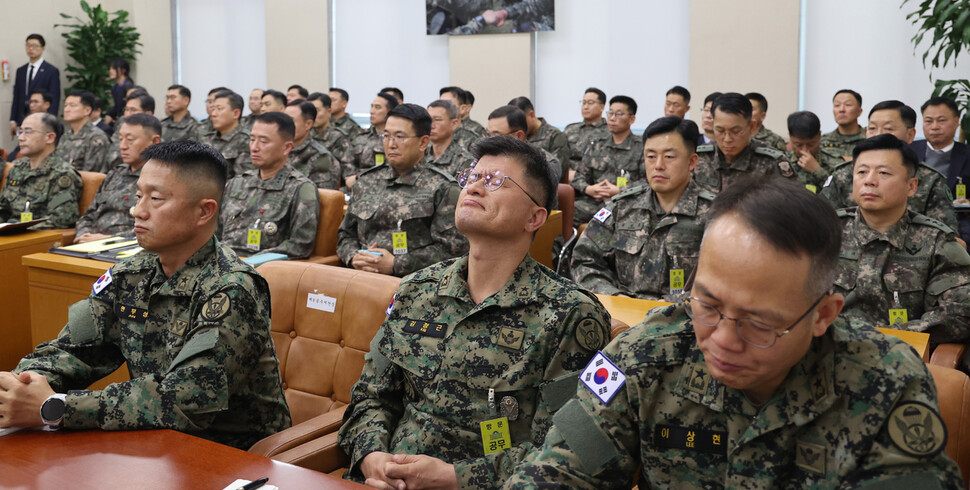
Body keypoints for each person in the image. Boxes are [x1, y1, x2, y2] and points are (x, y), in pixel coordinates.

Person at [506, 175, 963, 488]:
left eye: (759, 323)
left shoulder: (886, 380)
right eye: (707, 304)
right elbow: (559, 469)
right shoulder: (641, 355)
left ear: (824, 314)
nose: (722, 339)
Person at [338, 135, 610, 489]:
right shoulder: (416, 290)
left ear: (534, 217)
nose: (476, 188)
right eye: (473, 177)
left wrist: (456, 479)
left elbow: (574, 448)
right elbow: (370, 396)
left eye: (496, 181)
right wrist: (373, 458)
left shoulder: (570, 315)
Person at [0, 140, 292, 450]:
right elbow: (74, 348)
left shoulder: (232, 288)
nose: (137, 210)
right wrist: (21, 386)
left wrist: (58, 408)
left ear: (204, 211)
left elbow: (187, 399)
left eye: (155, 198)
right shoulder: (130, 273)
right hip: (152, 440)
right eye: (139, 195)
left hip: (233, 454)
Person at [834, 134, 970, 348]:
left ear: (911, 186)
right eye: (861, 172)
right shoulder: (826, 231)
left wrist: (882, 337)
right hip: (827, 352)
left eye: (883, 172)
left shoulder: (936, 242)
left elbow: (960, 314)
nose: (869, 180)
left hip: (900, 359)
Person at [571, 116, 713, 300]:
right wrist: (615, 297)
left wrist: (665, 308)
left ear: (692, 162)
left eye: (669, 157)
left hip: (682, 319)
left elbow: (724, 281)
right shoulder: (621, 206)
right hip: (622, 314)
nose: (658, 165)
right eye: (651, 156)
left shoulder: (716, 214)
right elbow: (584, 259)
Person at [337, 103, 467, 276]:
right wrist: (354, 257)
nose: (391, 144)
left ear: (423, 142)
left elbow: (454, 250)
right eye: (386, 136)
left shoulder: (442, 188)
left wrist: (398, 264)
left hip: (413, 285)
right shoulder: (366, 181)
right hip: (362, 278)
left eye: (400, 137)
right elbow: (345, 235)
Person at [820, 100, 958, 232]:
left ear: (910, 135)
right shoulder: (843, 173)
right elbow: (818, 220)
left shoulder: (931, 180)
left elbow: (948, 236)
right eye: (872, 128)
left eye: (888, 128)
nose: (878, 135)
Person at [219, 111, 320, 259]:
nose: (254, 147)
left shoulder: (300, 188)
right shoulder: (237, 183)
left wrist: (252, 261)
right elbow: (215, 232)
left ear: (286, 148)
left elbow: (300, 245)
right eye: (252, 139)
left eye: (263, 142)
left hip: (263, 269)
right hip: (222, 263)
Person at [75, 114, 161, 242]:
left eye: (130, 139)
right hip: (91, 245)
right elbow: (89, 216)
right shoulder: (115, 174)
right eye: (120, 139)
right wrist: (84, 235)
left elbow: (157, 227)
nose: (123, 146)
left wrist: (108, 240)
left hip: (129, 249)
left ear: (154, 141)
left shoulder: (161, 179)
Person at [693, 92, 790, 193]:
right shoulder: (699, 158)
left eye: (736, 132)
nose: (727, 139)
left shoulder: (773, 163)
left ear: (751, 127)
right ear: (713, 125)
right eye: (720, 131)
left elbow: (793, 204)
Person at [571, 95, 644, 226]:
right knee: (564, 212)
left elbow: (647, 182)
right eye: (610, 113)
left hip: (624, 204)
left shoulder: (641, 147)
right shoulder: (597, 144)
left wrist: (621, 190)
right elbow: (578, 177)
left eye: (619, 114)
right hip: (593, 203)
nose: (612, 118)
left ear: (631, 119)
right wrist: (589, 189)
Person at [0, 112, 81, 229]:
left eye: (28, 132)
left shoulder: (61, 173)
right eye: (20, 131)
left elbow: (61, 221)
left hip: (33, 238)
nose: (21, 138)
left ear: (49, 137)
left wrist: (15, 230)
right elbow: (3, 210)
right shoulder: (17, 168)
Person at [912, 97, 970, 241]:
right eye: (928, 121)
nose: (935, 126)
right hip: (913, 221)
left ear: (956, 122)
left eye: (942, 120)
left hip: (960, 222)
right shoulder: (908, 152)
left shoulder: (968, 154)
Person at [486, 105, 562, 194]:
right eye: (488, 135)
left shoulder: (546, 163)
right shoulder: (487, 158)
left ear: (518, 136)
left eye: (495, 135)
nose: (489, 141)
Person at [10, 34, 60, 137]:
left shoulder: (51, 70)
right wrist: (13, 119)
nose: (31, 48)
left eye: (35, 46)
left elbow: (54, 97)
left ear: (42, 48)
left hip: (41, 119)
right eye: (28, 45)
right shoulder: (21, 70)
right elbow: (17, 96)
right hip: (22, 118)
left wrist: (50, 120)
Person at [509, 96, 571, 180]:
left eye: (521, 121)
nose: (518, 126)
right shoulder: (516, 135)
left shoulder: (555, 136)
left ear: (531, 115)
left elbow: (557, 172)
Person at [346, 92, 398, 189]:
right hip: (357, 189)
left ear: (390, 112)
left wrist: (359, 178)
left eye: (377, 107)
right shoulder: (360, 138)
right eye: (372, 107)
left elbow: (393, 170)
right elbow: (348, 166)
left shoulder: (396, 141)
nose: (371, 111)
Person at [283, 99, 340, 189]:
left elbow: (319, 197)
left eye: (290, 121)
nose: (284, 126)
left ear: (308, 124)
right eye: (283, 121)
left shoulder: (321, 157)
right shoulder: (277, 150)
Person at [55, 89, 110, 173]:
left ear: (87, 110)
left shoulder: (96, 138)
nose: (66, 109)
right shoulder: (66, 136)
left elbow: (92, 176)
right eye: (65, 105)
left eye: (72, 105)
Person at [200, 90, 252, 179]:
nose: (213, 114)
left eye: (219, 109)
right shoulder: (207, 139)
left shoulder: (245, 141)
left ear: (236, 113)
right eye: (213, 109)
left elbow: (242, 182)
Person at [785, 110, 840, 192]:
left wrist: (817, 171)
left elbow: (842, 196)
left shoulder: (835, 163)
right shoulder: (781, 162)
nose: (805, 150)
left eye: (811, 144)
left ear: (819, 135)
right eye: (798, 145)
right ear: (790, 136)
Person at [308, 91, 353, 175]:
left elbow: (348, 172)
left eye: (316, 111)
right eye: (309, 111)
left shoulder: (338, 138)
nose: (312, 115)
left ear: (329, 111)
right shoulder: (305, 135)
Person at [425, 99, 473, 177]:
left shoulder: (465, 161)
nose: (431, 126)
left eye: (437, 120)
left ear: (454, 124)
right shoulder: (420, 155)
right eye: (428, 120)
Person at [564, 87, 609, 168]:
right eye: (583, 103)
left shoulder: (609, 132)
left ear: (602, 107)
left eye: (590, 103)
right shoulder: (570, 129)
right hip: (566, 176)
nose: (585, 107)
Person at [820, 89, 866, 163]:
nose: (841, 109)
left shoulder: (869, 140)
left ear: (859, 112)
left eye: (848, 105)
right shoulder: (823, 141)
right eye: (837, 105)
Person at [105, 58, 134, 125]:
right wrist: (109, 114)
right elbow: (117, 106)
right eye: (110, 69)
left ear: (123, 70)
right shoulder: (115, 87)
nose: (110, 71)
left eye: (113, 69)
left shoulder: (128, 86)